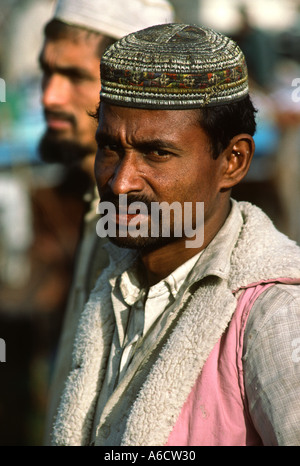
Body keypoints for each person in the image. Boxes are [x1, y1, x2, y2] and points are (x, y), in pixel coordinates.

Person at [50, 24, 300, 446]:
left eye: (157, 153)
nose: (121, 182)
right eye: (110, 148)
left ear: (233, 161)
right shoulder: (112, 281)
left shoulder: (274, 314)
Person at [41, 0, 175, 443]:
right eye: (48, 71)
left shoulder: (154, 230)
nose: (49, 97)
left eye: (75, 76)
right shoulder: (95, 206)